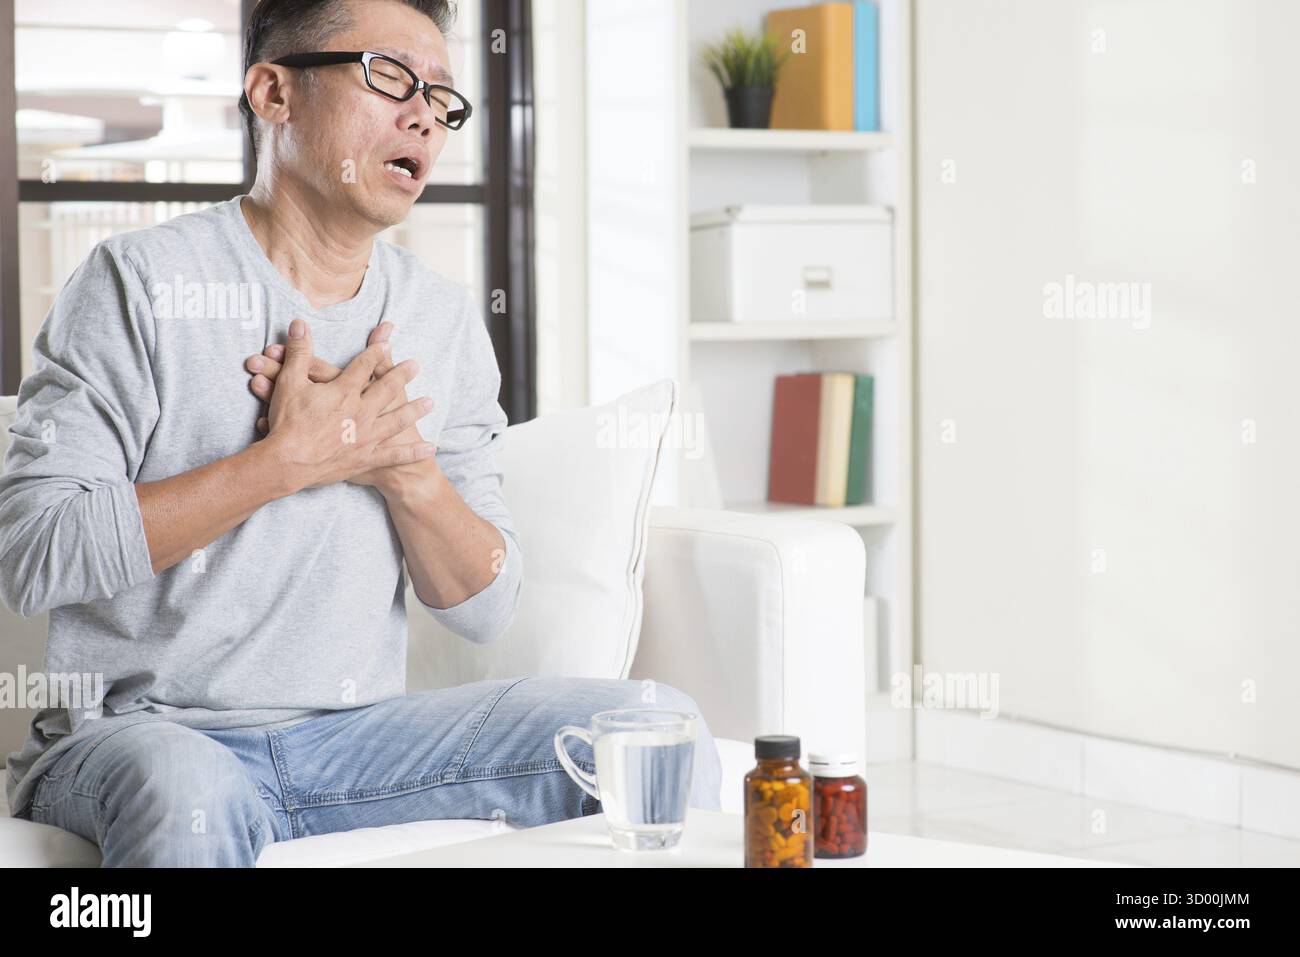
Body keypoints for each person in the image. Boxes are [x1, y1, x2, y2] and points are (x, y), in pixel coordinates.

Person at [0, 0, 721, 866]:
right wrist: (288, 460)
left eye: (444, 98)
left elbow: (487, 606)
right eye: (389, 77)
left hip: (355, 741)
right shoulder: (140, 283)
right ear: (274, 93)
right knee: (192, 792)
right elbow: (33, 552)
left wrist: (399, 464)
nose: (424, 113)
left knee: (660, 725)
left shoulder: (441, 321)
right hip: (142, 735)